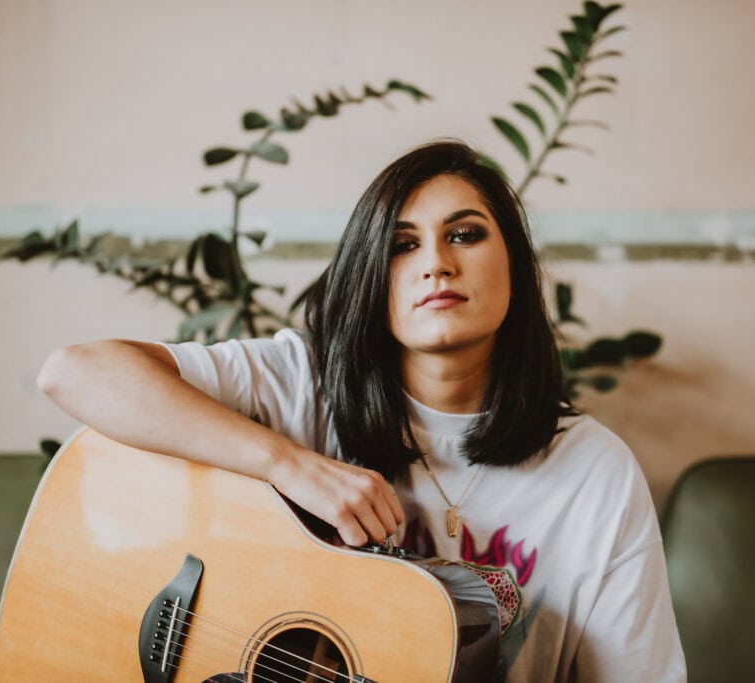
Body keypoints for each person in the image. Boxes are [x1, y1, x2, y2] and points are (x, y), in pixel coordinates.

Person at [37, 140, 687, 682]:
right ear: (369, 275)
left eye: (464, 233)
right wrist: (290, 464)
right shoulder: (297, 383)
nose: (436, 262)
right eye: (403, 244)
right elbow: (75, 372)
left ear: (516, 266)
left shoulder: (596, 473)